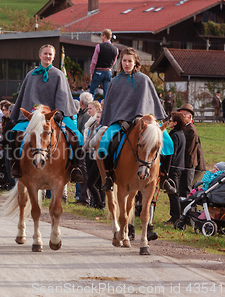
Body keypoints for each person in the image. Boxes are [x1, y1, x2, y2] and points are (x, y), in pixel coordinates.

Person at [98, 47, 175, 194]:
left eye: (130, 61)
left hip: (145, 122)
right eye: (124, 61)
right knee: (105, 141)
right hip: (120, 123)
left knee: (168, 142)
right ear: (121, 62)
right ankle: (108, 176)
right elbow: (113, 105)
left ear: (135, 62)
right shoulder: (114, 81)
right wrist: (120, 120)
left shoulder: (143, 80)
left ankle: (164, 178)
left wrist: (139, 117)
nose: (127, 64)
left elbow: (148, 102)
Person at [10, 44, 84, 183]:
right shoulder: (30, 75)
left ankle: (75, 167)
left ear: (54, 57)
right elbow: (25, 98)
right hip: (34, 116)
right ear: (40, 55)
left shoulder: (59, 74)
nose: (48, 56)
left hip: (55, 115)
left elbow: (62, 95)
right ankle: (15, 165)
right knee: (13, 134)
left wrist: (60, 111)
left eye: (50, 54)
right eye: (45, 53)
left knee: (77, 137)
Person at [178, 103, 206, 197]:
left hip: (191, 165)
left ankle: (189, 210)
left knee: (187, 190)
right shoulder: (184, 128)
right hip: (188, 165)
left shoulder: (191, 130)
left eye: (183, 115)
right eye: (180, 115)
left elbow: (188, 151)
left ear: (190, 117)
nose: (181, 117)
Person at [164, 112, 187, 225]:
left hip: (173, 168)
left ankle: (175, 217)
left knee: (173, 193)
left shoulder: (174, 135)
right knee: (173, 193)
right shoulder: (180, 133)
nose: (169, 122)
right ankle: (175, 216)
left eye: (171, 120)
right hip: (178, 167)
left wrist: (167, 168)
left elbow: (172, 154)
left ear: (175, 123)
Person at [82, 101, 105, 209]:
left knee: (92, 182)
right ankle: (96, 202)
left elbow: (92, 140)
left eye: (90, 108)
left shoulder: (100, 127)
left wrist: (84, 147)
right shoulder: (92, 122)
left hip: (95, 154)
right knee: (95, 182)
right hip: (90, 152)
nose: (88, 110)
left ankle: (99, 203)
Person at [89, 29, 119, 98]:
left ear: (104, 36)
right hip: (108, 71)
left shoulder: (99, 46)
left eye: (101, 36)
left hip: (98, 71)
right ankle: (105, 107)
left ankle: (89, 107)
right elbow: (114, 62)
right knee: (107, 93)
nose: (101, 37)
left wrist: (91, 72)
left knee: (92, 92)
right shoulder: (115, 49)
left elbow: (94, 61)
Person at [75, 91, 93, 205]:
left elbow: (84, 132)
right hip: (82, 147)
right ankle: (82, 197)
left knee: (84, 173)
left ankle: (84, 198)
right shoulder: (83, 114)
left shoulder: (85, 115)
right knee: (81, 172)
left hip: (83, 147)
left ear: (81, 102)